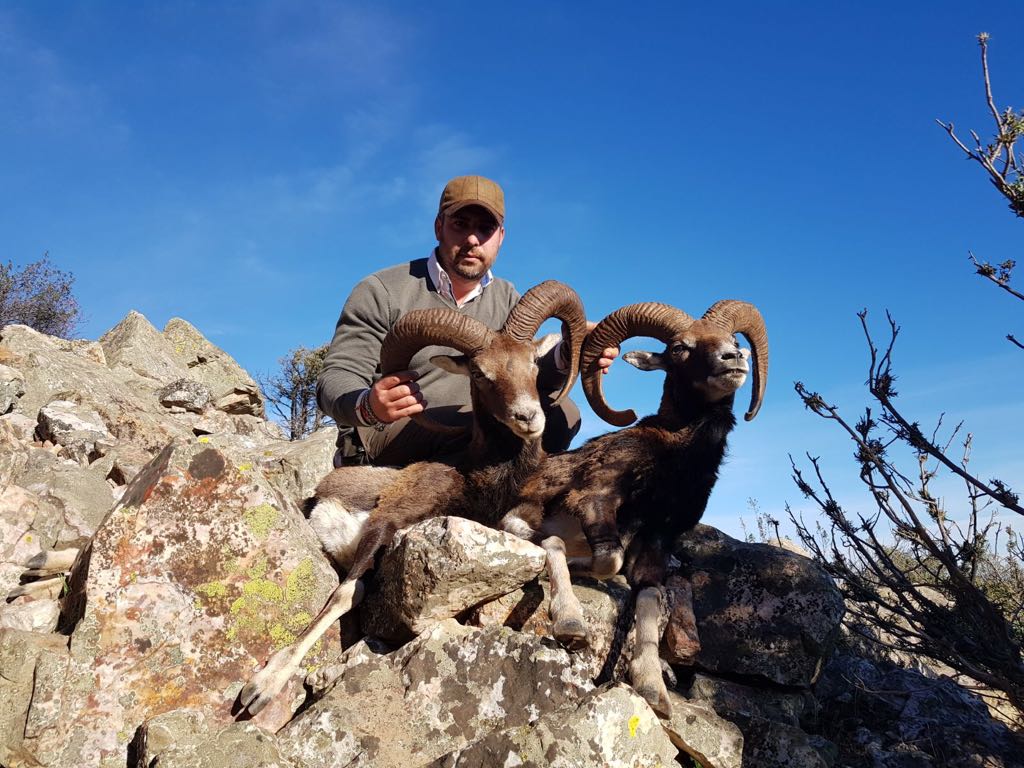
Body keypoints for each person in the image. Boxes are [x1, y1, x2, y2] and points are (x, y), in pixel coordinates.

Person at [317, 174, 616, 468]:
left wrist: (569, 351)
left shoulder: (508, 299)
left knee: (564, 414)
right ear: (439, 227)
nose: (473, 239)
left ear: (500, 237)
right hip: (396, 428)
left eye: (486, 228)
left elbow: (523, 373)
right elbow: (338, 375)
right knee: (477, 428)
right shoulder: (383, 290)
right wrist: (367, 406)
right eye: (460, 225)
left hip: (481, 422)